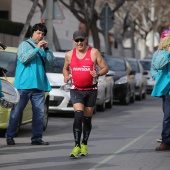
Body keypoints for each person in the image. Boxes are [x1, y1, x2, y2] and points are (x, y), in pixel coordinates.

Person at [6, 23, 54, 145]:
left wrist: (47, 50)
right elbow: (23, 59)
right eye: (38, 33)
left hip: (39, 86)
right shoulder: (24, 45)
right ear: (32, 33)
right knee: (16, 111)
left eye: (42, 34)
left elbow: (50, 63)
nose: (40, 36)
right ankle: (10, 136)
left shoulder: (43, 48)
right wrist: (37, 48)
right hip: (23, 85)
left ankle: (37, 138)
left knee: (39, 113)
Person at [63, 30, 109, 158]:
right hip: (76, 89)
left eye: (81, 40)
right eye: (76, 40)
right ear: (73, 41)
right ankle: (76, 145)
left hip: (91, 90)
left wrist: (98, 73)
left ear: (86, 39)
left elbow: (105, 68)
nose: (79, 43)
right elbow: (65, 68)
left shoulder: (94, 52)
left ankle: (84, 143)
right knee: (78, 115)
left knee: (87, 118)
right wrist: (66, 76)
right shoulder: (69, 54)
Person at [150, 32, 170, 151]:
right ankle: (166, 141)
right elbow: (157, 66)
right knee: (168, 116)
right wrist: (168, 53)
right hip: (168, 91)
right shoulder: (161, 53)